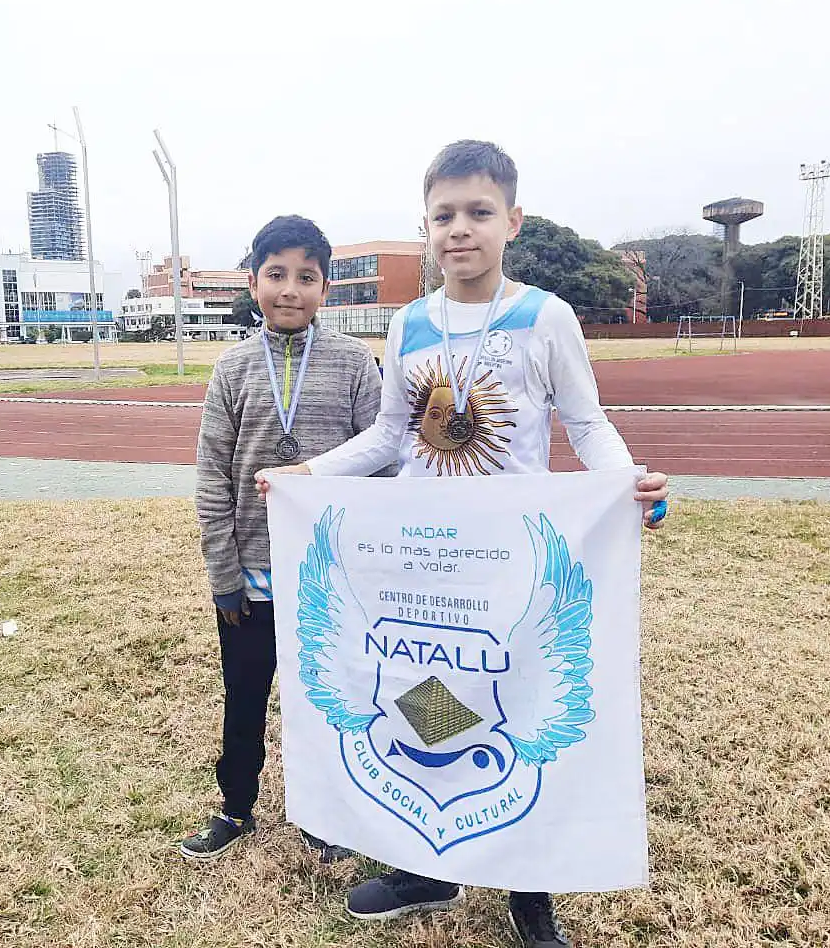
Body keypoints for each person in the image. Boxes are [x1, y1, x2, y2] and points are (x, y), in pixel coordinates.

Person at [257, 141, 670, 947]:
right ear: (426, 226)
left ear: (512, 221)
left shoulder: (545, 316)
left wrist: (627, 484)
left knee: (517, 701)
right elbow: (389, 434)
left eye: (479, 212)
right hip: (422, 556)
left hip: (510, 556)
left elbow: (585, 421)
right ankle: (428, 868)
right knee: (427, 692)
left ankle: (531, 886)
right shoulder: (409, 323)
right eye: (443, 215)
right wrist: (308, 472)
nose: (459, 229)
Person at [184, 214, 387, 863]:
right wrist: (224, 576)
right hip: (251, 577)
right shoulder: (233, 368)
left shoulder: (356, 365)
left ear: (325, 287)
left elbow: (382, 464)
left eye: (306, 276)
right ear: (253, 282)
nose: (290, 289)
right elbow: (213, 476)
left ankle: (326, 814)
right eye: (276, 274)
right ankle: (235, 806)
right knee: (245, 696)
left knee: (329, 698)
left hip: (331, 576)